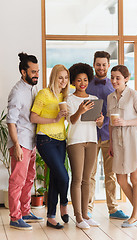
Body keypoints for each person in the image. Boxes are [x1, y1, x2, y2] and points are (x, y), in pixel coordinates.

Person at [86, 51, 129, 219]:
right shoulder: (87, 84)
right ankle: (88, 209)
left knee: (110, 174)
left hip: (109, 136)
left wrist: (104, 121)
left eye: (104, 64)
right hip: (90, 134)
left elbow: (118, 112)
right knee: (89, 174)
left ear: (108, 65)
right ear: (94, 65)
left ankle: (113, 209)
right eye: (98, 64)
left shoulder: (114, 85)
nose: (101, 67)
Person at [107, 65, 137, 227]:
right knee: (120, 179)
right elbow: (111, 123)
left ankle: (134, 216)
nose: (114, 80)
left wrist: (126, 122)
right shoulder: (111, 98)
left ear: (126, 78)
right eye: (112, 77)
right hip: (117, 142)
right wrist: (111, 143)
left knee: (135, 177)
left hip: (133, 139)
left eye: (118, 77)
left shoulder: (134, 95)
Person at [7, 52, 44, 230]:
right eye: (33, 71)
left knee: (29, 178)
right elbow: (11, 122)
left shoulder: (32, 88)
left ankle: (25, 211)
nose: (36, 74)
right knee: (17, 180)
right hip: (20, 142)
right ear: (23, 72)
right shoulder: (17, 92)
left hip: (31, 141)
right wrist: (16, 146)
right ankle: (15, 217)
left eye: (37, 71)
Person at [30, 64, 70, 230]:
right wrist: (54, 119)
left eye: (66, 78)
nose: (64, 81)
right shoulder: (44, 93)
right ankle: (64, 205)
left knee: (55, 177)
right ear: (54, 77)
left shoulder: (64, 95)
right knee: (64, 176)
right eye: (60, 77)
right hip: (45, 140)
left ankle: (51, 217)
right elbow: (33, 117)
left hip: (61, 140)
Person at [66, 63, 104, 229]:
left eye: (85, 80)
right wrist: (80, 111)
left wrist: (101, 121)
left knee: (87, 179)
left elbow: (98, 125)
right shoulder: (69, 99)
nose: (83, 83)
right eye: (79, 80)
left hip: (92, 141)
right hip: (75, 141)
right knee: (77, 179)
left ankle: (86, 215)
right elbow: (71, 121)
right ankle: (79, 217)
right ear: (73, 81)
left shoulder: (94, 99)